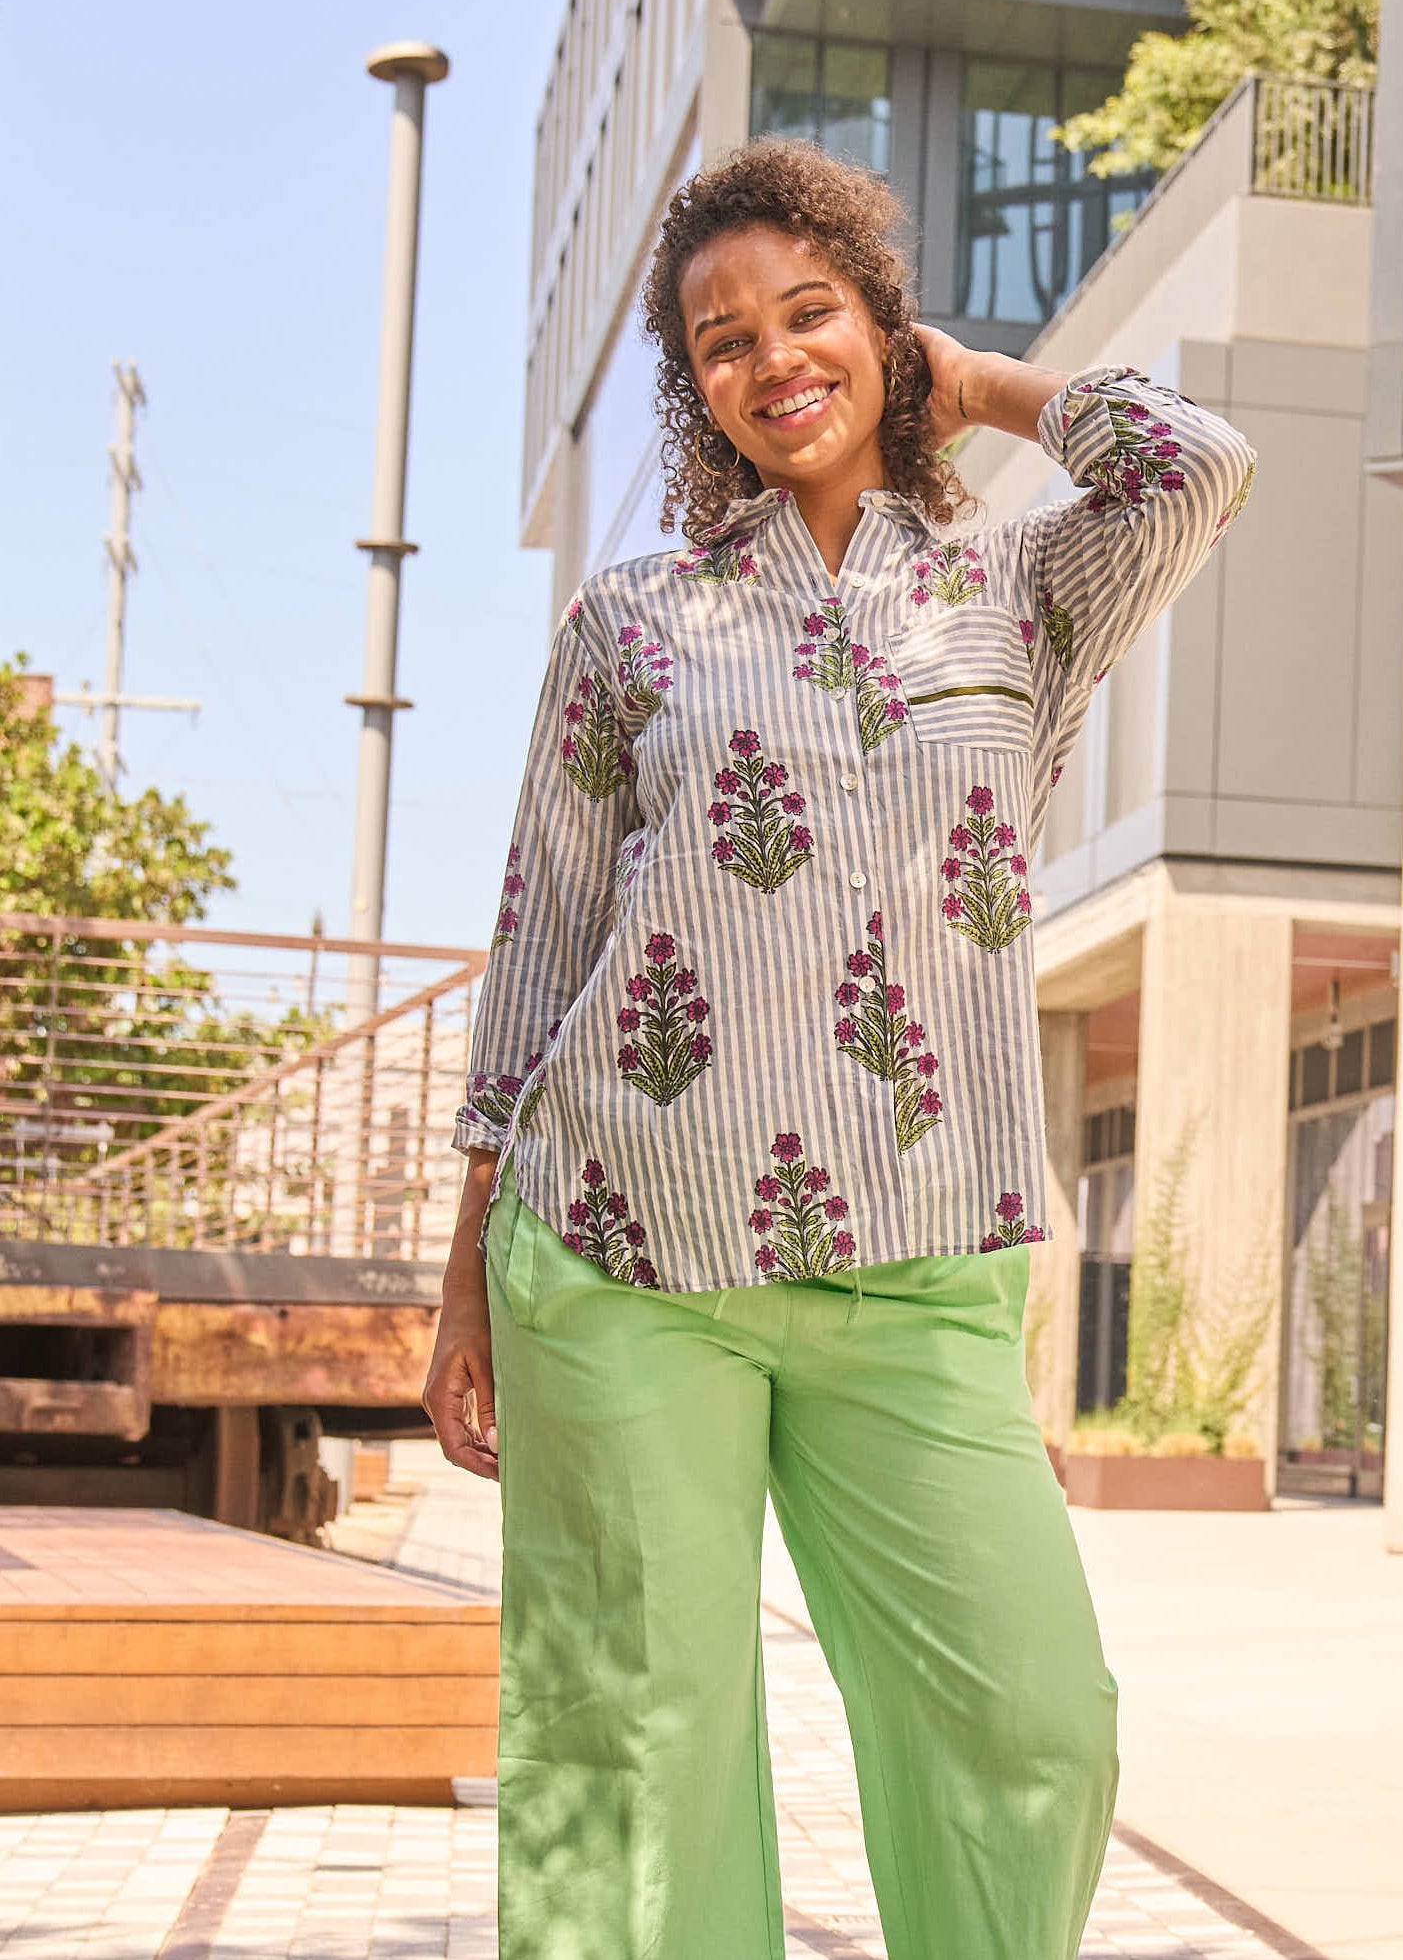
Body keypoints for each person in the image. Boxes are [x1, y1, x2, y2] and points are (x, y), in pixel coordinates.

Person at [423, 137, 1256, 1960]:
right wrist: (468, 1275)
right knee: (628, 1752)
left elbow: (1200, 465)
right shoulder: (632, 624)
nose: (771, 359)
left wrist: (981, 380)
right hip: (628, 1251)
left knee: (1031, 1724)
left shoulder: (1018, 596)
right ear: (691, 386)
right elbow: (542, 940)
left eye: (812, 313)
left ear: (881, 328)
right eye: (722, 340)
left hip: (923, 1265)